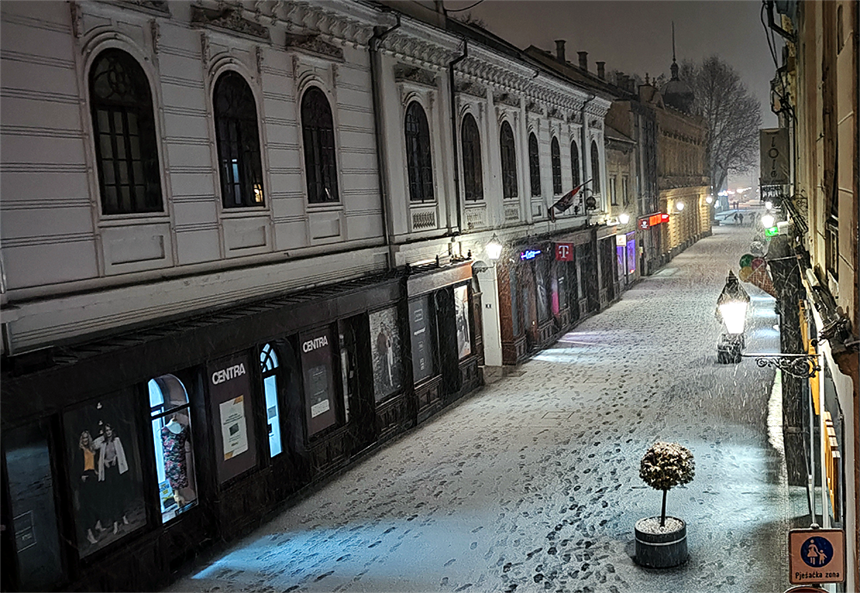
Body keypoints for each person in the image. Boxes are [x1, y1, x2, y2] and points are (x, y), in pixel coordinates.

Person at [95, 422, 130, 534]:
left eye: (109, 430)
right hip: (108, 472)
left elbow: (121, 454)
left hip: (117, 471)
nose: (108, 433)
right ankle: (115, 522)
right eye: (106, 431)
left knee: (120, 494)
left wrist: (115, 457)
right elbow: (95, 446)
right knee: (112, 497)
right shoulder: (103, 443)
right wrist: (105, 461)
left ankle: (123, 516)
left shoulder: (116, 440)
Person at [77, 431, 101, 545]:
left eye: (87, 438)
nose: (85, 440)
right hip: (85, 477)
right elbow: (77, 466)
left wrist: (96, 471)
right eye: (83, 439)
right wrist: (81, 476)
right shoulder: (80, 451)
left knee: (96, 502)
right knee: (87, 506)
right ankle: (89, 533)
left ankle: (97, 523)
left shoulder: (92, 449)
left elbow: (93, 462)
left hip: (93, 476)